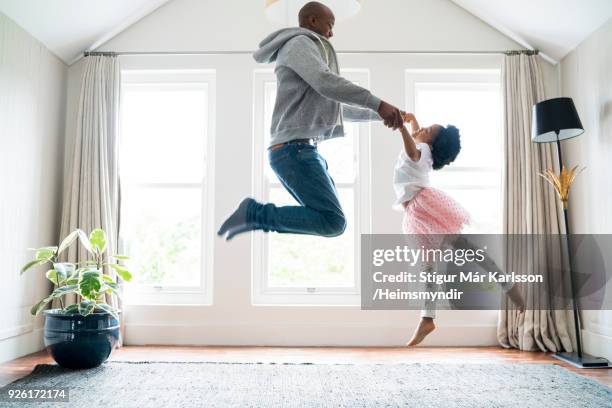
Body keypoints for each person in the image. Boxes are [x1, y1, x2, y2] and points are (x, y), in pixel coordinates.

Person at [218, 1, 403, 240]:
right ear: (313, 21)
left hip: (297, 149)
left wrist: (378, 114)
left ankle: (255, 214)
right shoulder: (299, 44)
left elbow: (334, 108)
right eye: (330, 24)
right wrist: (378, 103)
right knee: (333, 221)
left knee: (332, 221)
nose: (332, 33)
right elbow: (326, 81)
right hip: (294, 150)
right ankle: (254, 213)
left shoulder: (305, 53)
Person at [395, 113, 525, 346]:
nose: (420, 128)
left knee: (461, 251)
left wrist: (402, 129)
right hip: (416, 212)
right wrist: (412, 121)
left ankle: (508, 285)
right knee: (430, 266)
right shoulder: (425, 146)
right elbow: (418, 137)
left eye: (426, 129)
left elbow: (413, 149)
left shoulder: (421, 150)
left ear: (430, 143)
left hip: (424, 207)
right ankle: (427, 317)